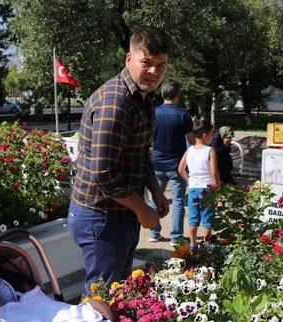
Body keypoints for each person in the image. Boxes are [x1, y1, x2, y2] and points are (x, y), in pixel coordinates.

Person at [68, 27, 174, 293]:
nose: (154, 72)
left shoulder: (143, 99)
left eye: (160, 66)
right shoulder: (116, 101)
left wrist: (156, 191)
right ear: (129, 59)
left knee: (118, 292)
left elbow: (141, 154)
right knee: (101, 302)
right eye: (146, 63)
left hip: (119, 213)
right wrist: (143, 210)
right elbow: (104, 173)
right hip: (101, 216)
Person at [149, 80, 195, 245]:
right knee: (177, 202)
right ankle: (176, 237)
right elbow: (191, 140)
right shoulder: (183, 114)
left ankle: (154, 233)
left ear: (162, 94)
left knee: (155, 199)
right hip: (178, 165)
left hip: (157, 164)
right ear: (178, 95)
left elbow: (149, 138)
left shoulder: (154, 113)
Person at [178, 120, 220, 248]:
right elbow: (214, 172)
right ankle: (206, 245)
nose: (213, 137)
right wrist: (217, 185)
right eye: (212, 134)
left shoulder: (189, 150)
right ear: (205, 135)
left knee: (193, 218)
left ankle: (192, 245)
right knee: (207, 219)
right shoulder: (209, 150)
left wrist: (189, 180)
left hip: (193, 188)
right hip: (207, 188)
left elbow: (181, 168)